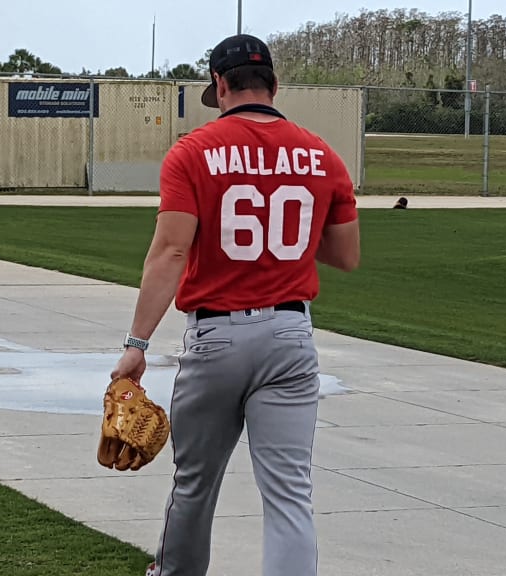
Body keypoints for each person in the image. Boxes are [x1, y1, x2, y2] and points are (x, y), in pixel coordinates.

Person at [110, 33, 361, 576]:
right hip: (290, 337)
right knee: (289, 493)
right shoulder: (322, 155)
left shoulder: (194, 151)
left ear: (220, 84)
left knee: (195, 483)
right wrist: (284, 226)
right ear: (274, 84)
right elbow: (345, 255)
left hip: (217, 337)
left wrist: (136, 344)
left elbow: (172, 250)